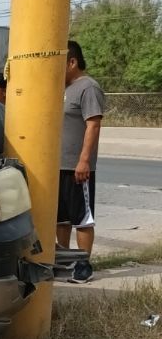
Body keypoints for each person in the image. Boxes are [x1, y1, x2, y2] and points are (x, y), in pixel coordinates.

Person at [58, 40, 105, 284]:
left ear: (72, 62)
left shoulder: (88, 87)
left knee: (82, 219)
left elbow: (93, 125)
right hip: (56, 166)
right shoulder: (61, 88)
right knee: (61, 219)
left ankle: (84, 265)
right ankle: (65, 261)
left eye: (60, 65)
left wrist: (84, 161)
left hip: (77, 167)